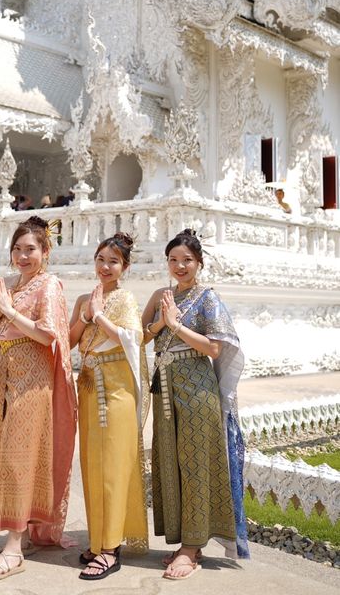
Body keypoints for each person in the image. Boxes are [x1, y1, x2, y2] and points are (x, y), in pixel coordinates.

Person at [0, 215, 77, 581]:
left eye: (30, 249)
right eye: (17, 249)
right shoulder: (6, 285)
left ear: (45, 252)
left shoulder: (49, 286)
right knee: (3, 454)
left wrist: (10, 310)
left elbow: (48, 335)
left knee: (20, 458)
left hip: (32, 382)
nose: (22, 255)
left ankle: (14, 548)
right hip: (2, 376)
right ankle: (20, 532)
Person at [142, 229, 249, 581]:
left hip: (196, 387)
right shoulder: (162, 295)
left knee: (195, 463)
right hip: (166, 387)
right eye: (173, 260)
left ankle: (192, 547)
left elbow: (215, 348)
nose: (180, 266)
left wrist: (175, 326)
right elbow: (143, 334)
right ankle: (182, 540)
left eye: (186, 260)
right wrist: (162, 320)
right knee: (169, 461)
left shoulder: (207, 299)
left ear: (199, 262)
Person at [70, 232, 148, 581]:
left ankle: (111, 549)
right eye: (101, 259)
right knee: (92, 467)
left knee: (114, 469)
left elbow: (132, 338)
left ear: (124, 267)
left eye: (113, 261)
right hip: (87, 389)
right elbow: (68, 339)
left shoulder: (125, 299)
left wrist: (100, 316)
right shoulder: (86, 299)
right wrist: (88, 315)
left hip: (115, 394)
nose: (105, 266)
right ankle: (98, 539)